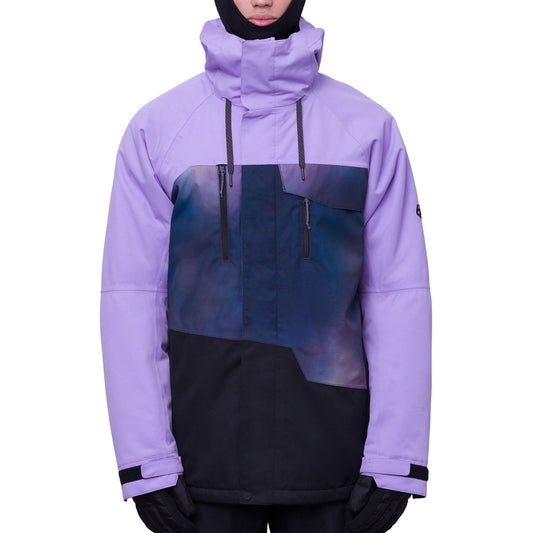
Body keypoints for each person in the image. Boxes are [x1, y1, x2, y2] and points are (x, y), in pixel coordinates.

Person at [99, 1, 432, 532]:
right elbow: (133, 301)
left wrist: (397, 457)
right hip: (199, 469)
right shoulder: (157, 130)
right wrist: (146, 460)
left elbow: (397, 296)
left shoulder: (368, 129)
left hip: (336, 468)